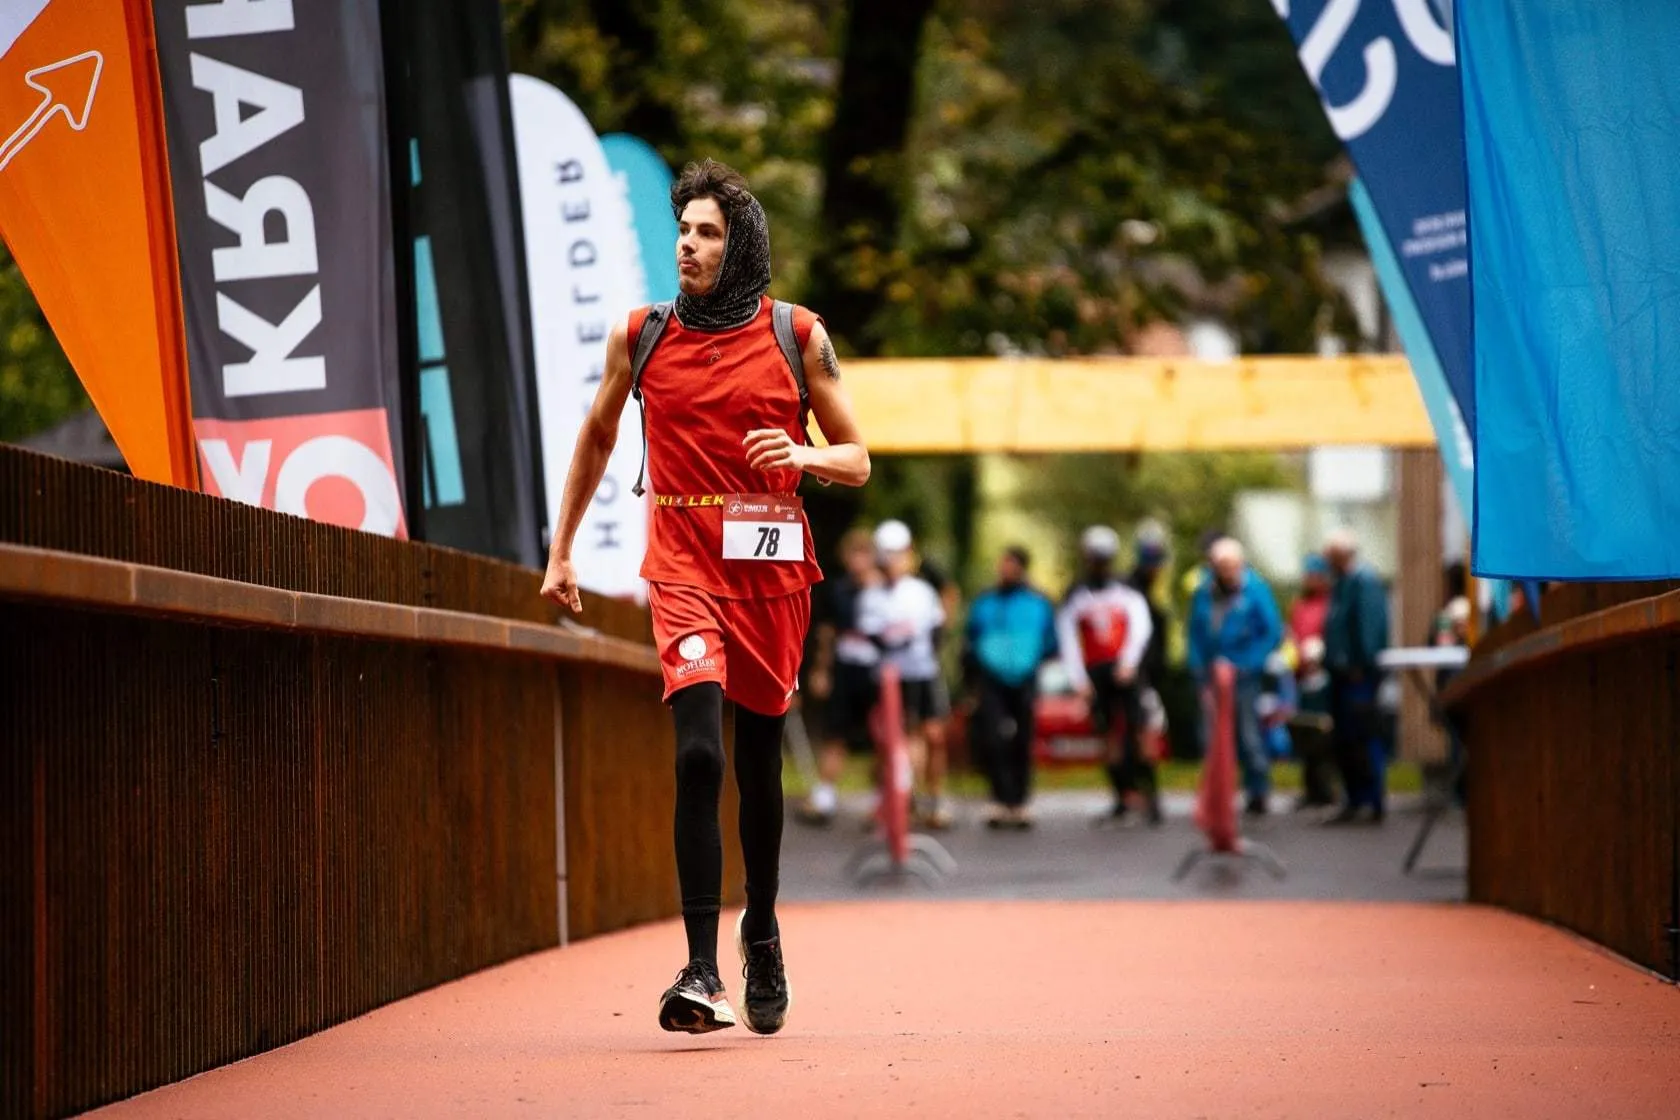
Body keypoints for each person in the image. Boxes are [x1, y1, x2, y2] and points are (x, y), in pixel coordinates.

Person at [540, 160, 870, 1036]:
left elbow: (858, 458)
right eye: (683, 230)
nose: (688, 244)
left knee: (759, 762)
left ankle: (760, 926)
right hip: (681, 561)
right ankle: (699, 967)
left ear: (742, 245)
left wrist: (802, 459)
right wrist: (561, 547)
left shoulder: (798, 334)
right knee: (697, 756)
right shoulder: (641, 335)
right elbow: (600, 434)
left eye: (707, 232)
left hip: (770, 572)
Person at [1058, 525, 1157, 827]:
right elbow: (1068, 638)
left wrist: (1128, 663)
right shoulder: (1077, 595)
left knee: (1140, 729)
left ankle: (1150, 794)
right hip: (1096, 671)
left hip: (1125, 668)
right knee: (1108, 736)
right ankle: (1121, 795)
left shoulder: (1126, 591)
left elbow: (1140, 627)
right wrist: (1079, 679)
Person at [858, 519, 953, 829]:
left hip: (922, 673)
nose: (893, 562)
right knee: (888, 740)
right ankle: (895, 797)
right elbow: (875, 637)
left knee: (932, 735)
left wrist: (926, 653)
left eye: (898, 555)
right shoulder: (871, 595)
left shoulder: (923, 592)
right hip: (887, 678)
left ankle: (932, 797)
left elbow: (938, 630)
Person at [961, 545, 1060, 829]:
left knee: (1023, 738)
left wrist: (1032, 659)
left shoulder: (1038, 602)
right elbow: (972, 638)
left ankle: (1019, 800)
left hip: (1025, 676)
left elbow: (1050, 641)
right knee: (993, 737)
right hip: (991, 678)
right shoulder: (985, 601)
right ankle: (999, 797)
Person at [1186, 537, 1284, 816]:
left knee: (1248, 733)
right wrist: (1198, 668)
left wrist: (1249, 663)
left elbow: (1271, 633)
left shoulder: (1255, 590)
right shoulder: (1204, 592)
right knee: (1211, 737)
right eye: (1220, 566)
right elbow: (1195, 633)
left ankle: (1258, 791)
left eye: (1230, 566)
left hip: (1243, 676)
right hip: (1211, 675)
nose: (1225, 572)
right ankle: (1218, 793)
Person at [796, 528, 882, 827]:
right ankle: (824, 795)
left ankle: (881, 800)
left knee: (880, 735)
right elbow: (826, 633)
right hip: (846, 666)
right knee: (836, 732)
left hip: (877, 669)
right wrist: (822, 669)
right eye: (853, 554)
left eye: (864, 554)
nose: (858, 561)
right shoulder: (838, 590)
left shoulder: (884, 590)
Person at [1321, 527, 1392, 825]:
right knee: (1346, 740)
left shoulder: (1363, 582)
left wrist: (1360, 664)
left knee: (1363, 735)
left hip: (1357, 675)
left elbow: (1368, 626)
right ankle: (1354, 798)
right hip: (1341, 673)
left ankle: (1372, 798)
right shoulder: (1343, 583)